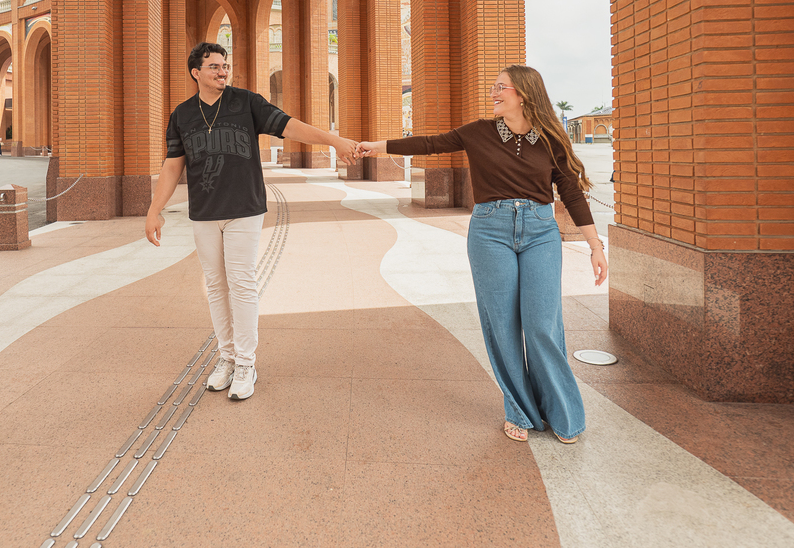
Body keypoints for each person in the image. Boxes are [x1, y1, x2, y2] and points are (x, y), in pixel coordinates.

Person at [357, 64, 607, 444]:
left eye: (501, 87)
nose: (494, 93)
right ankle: (519, 411)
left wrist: (594, 246)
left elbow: (570, 192)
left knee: (542, 324)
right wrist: (377, 146)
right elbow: (431, 144)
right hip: (490, 232)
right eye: (494, 87)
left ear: (523, 94)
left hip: (541, 233)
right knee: (503, 325)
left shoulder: (551, 139)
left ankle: (562, 412)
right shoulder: (479, 132)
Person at [146, 42, 359, 401]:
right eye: (214, 66)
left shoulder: (246, 102)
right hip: (205, 212)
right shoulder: (182, 115)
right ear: (196, 73)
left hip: (244, 208)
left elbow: (290, 126)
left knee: (241, 283)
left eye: (225, 65)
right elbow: (172, 165)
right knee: (216, 286)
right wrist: (155, 210)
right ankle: (227, 357)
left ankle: (246, 363)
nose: (222, 71)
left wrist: (332, 141)